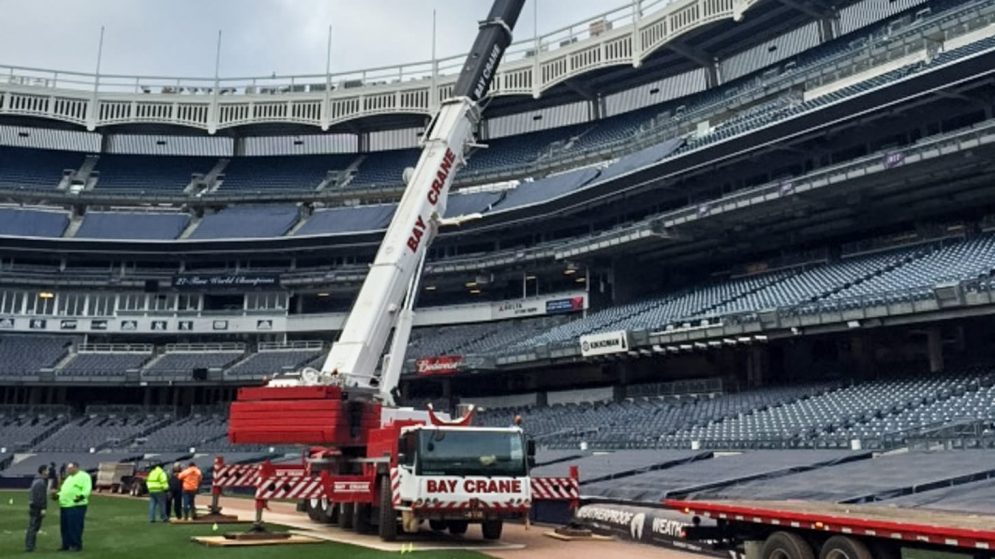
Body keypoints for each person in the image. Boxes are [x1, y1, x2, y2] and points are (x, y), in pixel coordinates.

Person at [55, 462, 91, 552]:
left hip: (76, 505)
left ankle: (76, 545)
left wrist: (80, 497)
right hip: (65, 505)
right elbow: (64, 490)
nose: (68, 470)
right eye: (68, 468)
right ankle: (65, 544)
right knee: (65, 527)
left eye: (70, 468)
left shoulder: (84, 476)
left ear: (76, 468)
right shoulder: (69, 478)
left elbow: (87, 489)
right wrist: (57, 496)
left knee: (75, 526)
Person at [25, 465, 48, 552]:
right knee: (33, 527)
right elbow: (40, 497)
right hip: (36, 507)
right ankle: (30, 546)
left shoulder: (36, 480)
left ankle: (31, 545)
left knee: (33, 527)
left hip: (33, 506)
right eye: (46, 470)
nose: (48, 472)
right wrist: (43, 508)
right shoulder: (40, 482)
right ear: (43, 471)